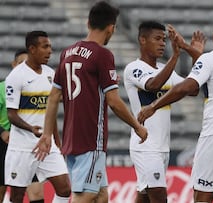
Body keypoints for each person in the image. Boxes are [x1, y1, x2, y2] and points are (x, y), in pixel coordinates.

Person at [33, 1, 148, 202]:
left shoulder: (67, 53)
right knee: (86, 195)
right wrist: (137, 126)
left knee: (102, 196)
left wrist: (48, 134)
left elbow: (53, 97)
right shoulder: (103, 55)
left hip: (72, 136)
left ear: (88, 23)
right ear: (112, 28)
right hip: (91, 138)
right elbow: (113, 101)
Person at [138, 18, 213, 203]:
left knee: (203, 193)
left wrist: (153, 106)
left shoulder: (211, 59)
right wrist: (187, 47)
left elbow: (186, 87)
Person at [123, 21, 205, 203]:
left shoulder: (164, 69)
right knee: (159, 197)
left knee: (144, 197)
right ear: (142, 40)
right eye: (157, 39)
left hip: (162, 147)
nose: (162, 43)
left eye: (164, 39)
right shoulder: (133, 68)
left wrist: (192, 53)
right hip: (145, 145)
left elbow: (193, 90)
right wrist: (175, 56)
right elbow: (153, 85)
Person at [4, 31, 71, 203]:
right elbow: (11, 115)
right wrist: (31, 128)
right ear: (32, 49)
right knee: (17, 196)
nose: (50, 51)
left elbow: (51, 112)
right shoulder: (16, 76)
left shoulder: (50, 74)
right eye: (45, 46)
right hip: (22, 147)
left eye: (50, 46)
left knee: (65, 189)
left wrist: (57, 141)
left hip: (47, 145)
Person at [0, 49, 51, 203]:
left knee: (36, 193)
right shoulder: (3, 87)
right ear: (13, 64)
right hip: (4, 145)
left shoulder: (34, 88)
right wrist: (2, 131)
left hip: (27, 143)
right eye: (21, 63)